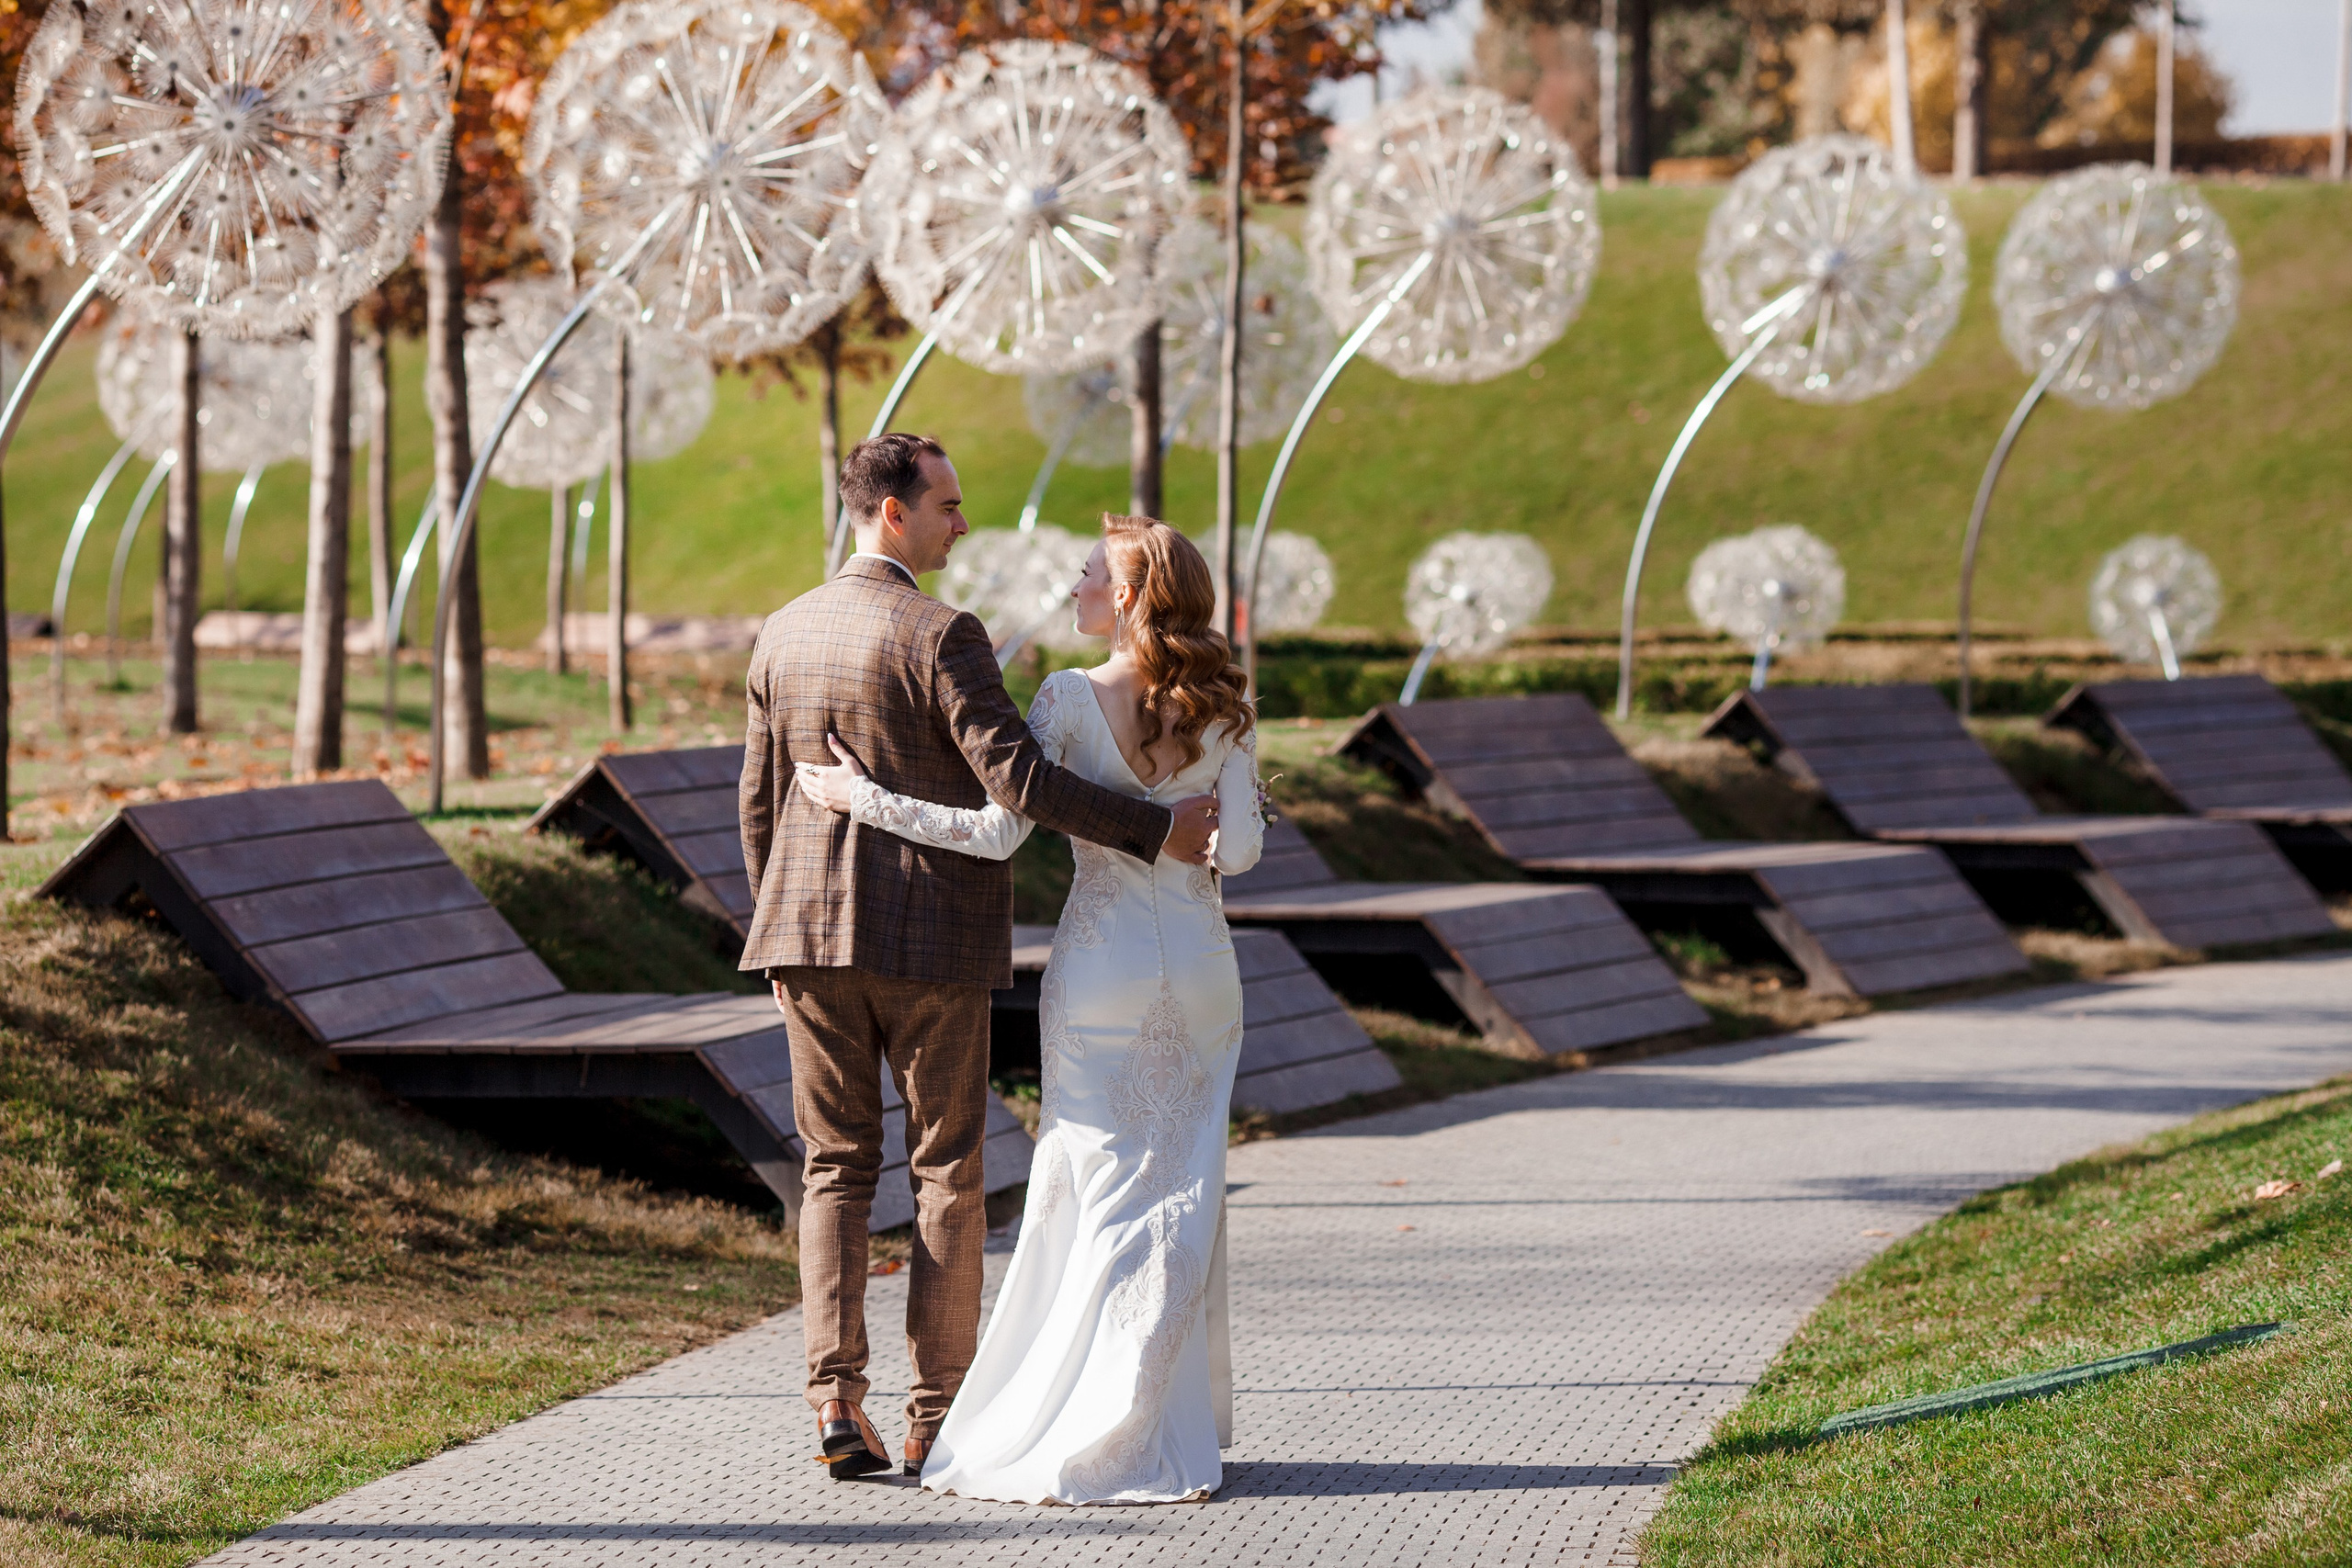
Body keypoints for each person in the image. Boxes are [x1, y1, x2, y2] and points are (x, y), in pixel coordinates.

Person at [738, 435, 1220, 1482]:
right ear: (892, 513)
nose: (961, 523)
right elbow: (1021, 786)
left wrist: (772, 930)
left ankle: (833, 1399)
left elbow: (759, 800)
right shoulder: (941, 632)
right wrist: (1155, 829)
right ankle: (934, 1412)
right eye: (947, 505)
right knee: (946, 1171)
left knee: (833, 1167)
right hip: (932, 939)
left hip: (805, 938)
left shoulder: (782, 629)